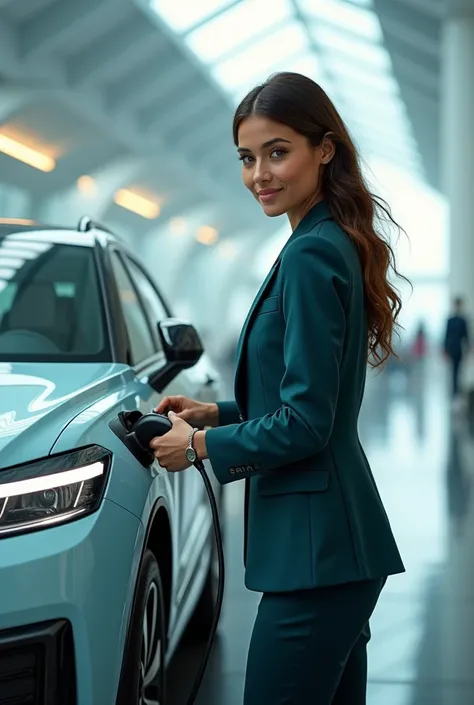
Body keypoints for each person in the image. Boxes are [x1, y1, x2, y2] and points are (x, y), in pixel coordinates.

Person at [150, 72, 406, 705]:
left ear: (325, 150)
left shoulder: (311, 254)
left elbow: (307, 422)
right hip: (332, 549)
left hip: (316, 551)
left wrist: (201, 448)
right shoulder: (321, 242)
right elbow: (308, 396)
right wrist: (218, 413)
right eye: (246, 157)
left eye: (277, 151)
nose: (259, 173)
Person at [444, 296, 470, 400]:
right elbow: (446, 335)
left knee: (459, 370)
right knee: (454, 371)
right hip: (452, 349)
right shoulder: (450, 320)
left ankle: (458, 392)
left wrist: (469, 349)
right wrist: (445, 349)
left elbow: (466, 336)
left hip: (459, 349)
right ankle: (455, 392)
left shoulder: (463, 320)